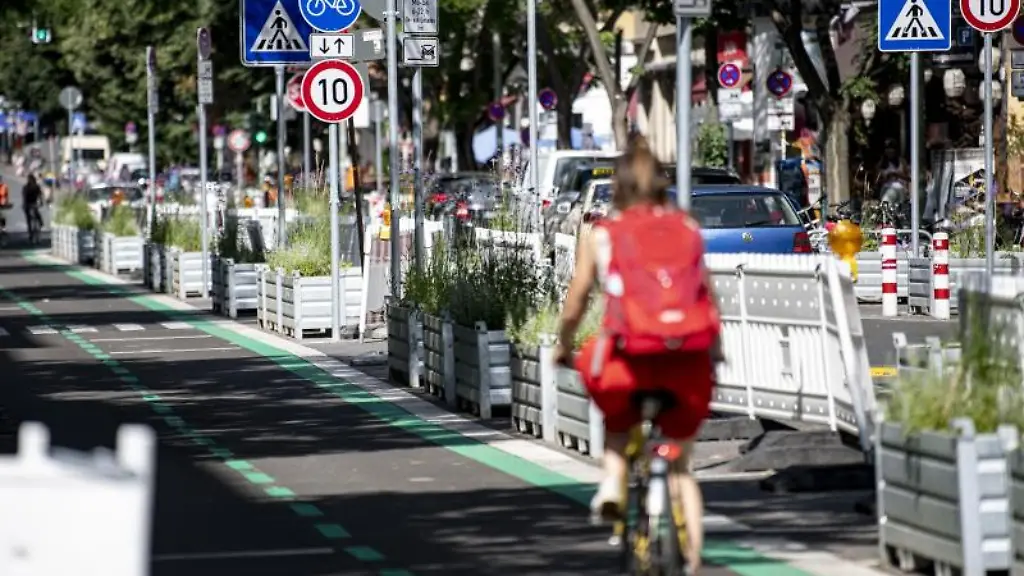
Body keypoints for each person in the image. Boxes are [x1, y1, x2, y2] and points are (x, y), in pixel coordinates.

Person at [554, 135, 721, 572]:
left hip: (626, 363)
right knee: (682, 467)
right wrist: (716, 354)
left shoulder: (603, 236)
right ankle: (692, 561)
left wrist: (562, 344)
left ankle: (613, 479)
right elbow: (709, 298)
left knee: (617, 421)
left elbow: (577, 301)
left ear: (619, 188)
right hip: (686, 363)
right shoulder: (687, 228)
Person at [876, 139, 909, 204]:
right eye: (887, 148)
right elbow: (876, 181)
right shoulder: (880, 163)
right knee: (887, 200)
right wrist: (886, 178)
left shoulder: (902, 161)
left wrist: (897, 175)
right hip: (886, 188)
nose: (889, 151)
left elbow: (909, 178)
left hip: (900, 188)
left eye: (891, 148)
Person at [22, 174, 43, 240]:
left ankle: (31, 233)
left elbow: (24, 197)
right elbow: (40, 195)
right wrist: (41, 202)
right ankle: (40, 223)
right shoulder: (36, 186)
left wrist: (24, 205)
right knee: (36, 214)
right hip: (32, 204)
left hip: (29, 204)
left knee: (29, 219)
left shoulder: (26, 187)